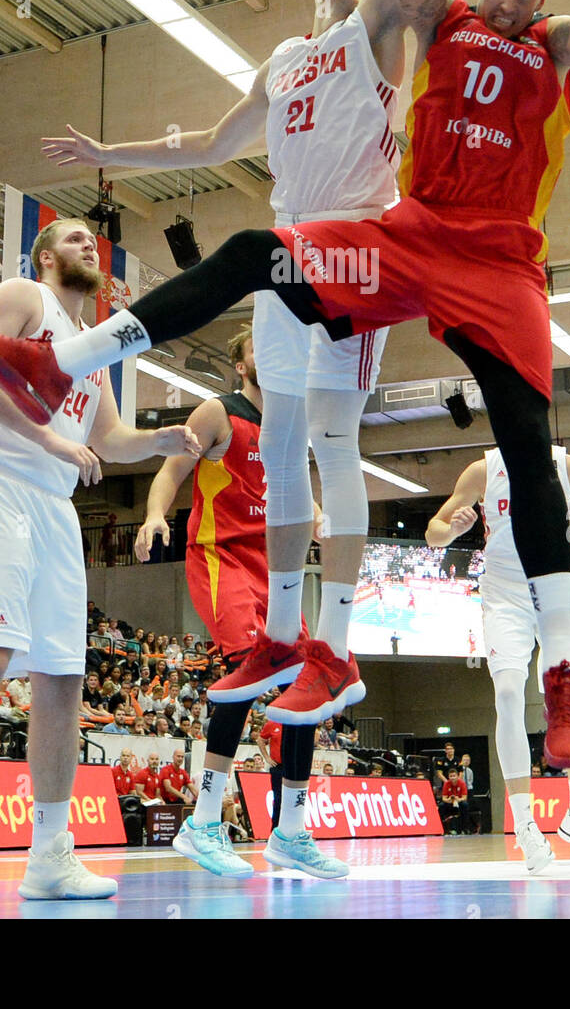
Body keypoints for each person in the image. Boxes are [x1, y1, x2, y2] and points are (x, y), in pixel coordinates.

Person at [0, 0, 570, 773]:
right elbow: (221, 136)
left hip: (484, 258)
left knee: (495, 437)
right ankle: (68, 364)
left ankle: (554, 672)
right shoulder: (363, 36)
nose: (501, 2)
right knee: (250, 275)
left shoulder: (486, 40)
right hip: (388, 237)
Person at [45, 0, 413, 731]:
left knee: (333, 438)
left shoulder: (381, 28)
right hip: (287, 245)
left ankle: (338, 649)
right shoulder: (284, 59)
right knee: (280, 436)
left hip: (354, 245)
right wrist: (111, 151)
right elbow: (213, 142)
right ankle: (283, 638)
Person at [0, 219, 199, 910]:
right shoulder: (26, 295)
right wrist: (51, 442)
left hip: (55, 508)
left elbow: (108, 439)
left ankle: (52, 859)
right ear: (46, 254)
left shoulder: (96, 348)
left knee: (63, 680)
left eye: (96, 241)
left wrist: (161, 439)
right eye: (76, 237)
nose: (91, 245)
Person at [136, 327, 342, 880]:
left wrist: (318, 514)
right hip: (219, 555)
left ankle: (292, 830)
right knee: (246, 675)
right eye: (258, 345)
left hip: (275, 566)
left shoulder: (287, 424)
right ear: (241, 362)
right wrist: (156, 515)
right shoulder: (217, 413)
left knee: (307, 684)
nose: (271, 353)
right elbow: (171, 470)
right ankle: (203, 821)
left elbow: (291, 487)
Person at [427, 443, 570, 873]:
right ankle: (524, 824)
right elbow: (433, 530)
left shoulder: (568, 465)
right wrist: (451, 529)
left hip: (556, 590)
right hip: (504, 596)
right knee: (508, 696)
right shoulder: (483, 470)